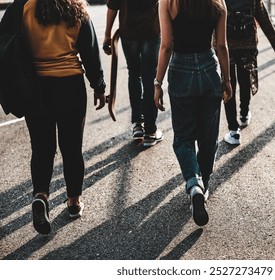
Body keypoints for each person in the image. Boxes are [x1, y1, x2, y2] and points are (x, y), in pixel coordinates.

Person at [1, 0, 106, 234]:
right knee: (71, 148)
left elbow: (5, 44)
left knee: (41, 147)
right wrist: (98, 85)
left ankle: (41, 195)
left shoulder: (22, 7)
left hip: (35, 88)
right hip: (70, 87)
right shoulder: (76, 8)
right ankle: (73, 202)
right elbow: (90, 52)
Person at [154, 0, 232, 226]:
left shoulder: (167, 3)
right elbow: (221, 46)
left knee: (184, 139)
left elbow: (166, 46)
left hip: (181, 71)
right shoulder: (218, 2)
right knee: (208, 140)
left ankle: (194, 184)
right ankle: (203, 185)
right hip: (209, 69)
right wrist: (226, 80)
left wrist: (157, 82)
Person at [223, 0, 275, 145]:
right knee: (245, 80)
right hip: (248, 44)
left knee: (228, 83)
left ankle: (233, 130)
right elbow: (264, 20)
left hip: (226, 47)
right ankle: (244, 114)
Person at [103, 0, 163, 147]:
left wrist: (107, 34)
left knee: (134, 74)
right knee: (150, 78)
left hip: (128, 32)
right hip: (151, 30)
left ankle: (138, 125)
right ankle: (150, 130)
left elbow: (112, 6)